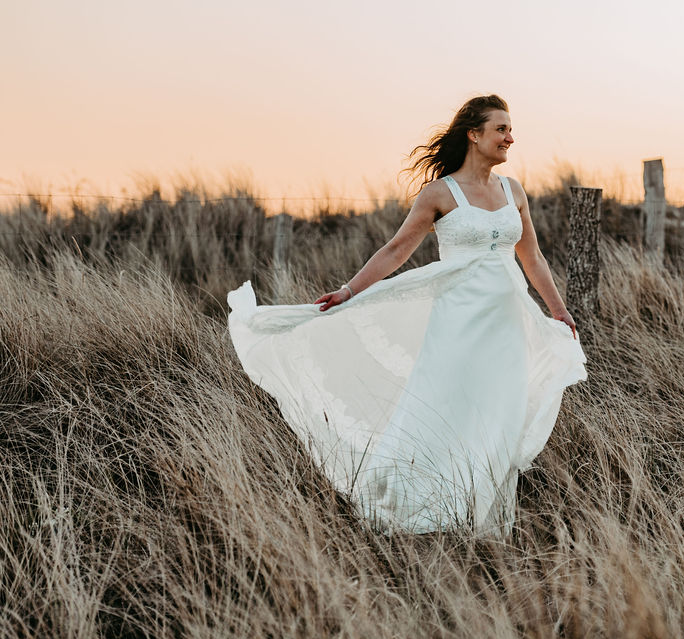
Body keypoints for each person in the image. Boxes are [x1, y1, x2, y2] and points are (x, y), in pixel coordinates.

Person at [227, 94, 587, 536]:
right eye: (501, 129)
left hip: (506, 324)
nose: (510, 137)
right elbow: (397, 250)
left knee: (498, 411)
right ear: (474, 135)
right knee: (446, 405)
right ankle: (418, 506)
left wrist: (558, 310)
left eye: (511, 130)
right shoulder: (440, 194)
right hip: (457, 322)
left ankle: (482, 518)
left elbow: (532, 258)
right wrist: (349, 290)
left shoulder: (514, 191)